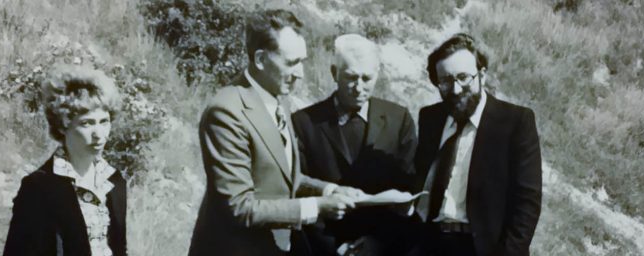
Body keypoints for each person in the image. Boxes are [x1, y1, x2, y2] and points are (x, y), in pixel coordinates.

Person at [189, 9, 365, 256]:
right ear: (260, 60)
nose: (300, 74)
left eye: (302, 61)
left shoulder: (278, 100)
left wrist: (329, 190)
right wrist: (317, 206)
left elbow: (280, 176)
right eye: (292, 63)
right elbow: (240, 207)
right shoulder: (227, 112)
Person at [410, 33, 542, 256]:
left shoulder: (515, 122)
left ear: (482, 74)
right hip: (431, 243)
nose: (455, 89)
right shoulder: (430, 118)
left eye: (463, 77)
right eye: (445, 81)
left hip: (483, 249)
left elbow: (527, 203)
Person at [292, 34, 418, 255]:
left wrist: (377, 242)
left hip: (384, 246)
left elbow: (408, 188)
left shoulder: (399, 119)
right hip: (322, 247)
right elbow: (296, 185)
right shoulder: (304, 122)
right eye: (350, 77)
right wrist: (336, 249)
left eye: (367, 78)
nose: (358, 87)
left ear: (378, 74)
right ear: (334, 73)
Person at [4, 65, 127, 256]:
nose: (98, 135)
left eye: (104, 121)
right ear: (63, 125)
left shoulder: (114, 181)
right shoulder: (39, 188)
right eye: (86, 123)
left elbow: (119, 249)